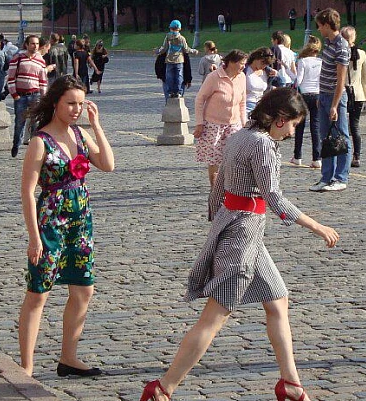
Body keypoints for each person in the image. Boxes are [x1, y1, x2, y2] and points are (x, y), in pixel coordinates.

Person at [140, 87, 339, 401]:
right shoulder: (262, 144)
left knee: (277, 302)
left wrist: (219, 221)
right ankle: (163, 388)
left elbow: (218, 185)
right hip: (244, 235)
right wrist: (316, 226)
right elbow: (273, 196)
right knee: (214, 317)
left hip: (243, 230)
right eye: (293, 125)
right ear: (279, 119)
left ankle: (290, 383)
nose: (292, 132)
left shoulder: (240, 136)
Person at [17, 76, 114, 378]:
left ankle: (68, 358)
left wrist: (96, 125)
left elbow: (108, 164)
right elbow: (27, 192)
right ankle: (25, 367)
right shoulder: (40, 141)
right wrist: (34, 238)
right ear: (56, 102)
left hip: (80, 222)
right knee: (38, 293)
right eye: (71, 103)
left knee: (84, 290)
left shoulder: (80, 134)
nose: (76, 109)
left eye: (81, 104)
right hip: (50, 224)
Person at [312, 8, 352, 193]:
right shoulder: (329, 44)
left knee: (341, 137)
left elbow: (341, 80)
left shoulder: (342, 46)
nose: (318, 29)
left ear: (328, 25)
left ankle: (341, 177)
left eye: (320, 26)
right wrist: (321, 96)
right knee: (325, 138)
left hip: (336, 97)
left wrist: (335, 105)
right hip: (325, 95)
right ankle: (326, 177)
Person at [194, 49, 247, 186]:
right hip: (213, 124)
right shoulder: (214, 77)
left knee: (234, 156)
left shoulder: (241, 77)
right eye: (241, 63)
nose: (243, 67)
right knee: (215, 159)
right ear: (231, 63)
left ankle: (231, 186)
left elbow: (242, 103)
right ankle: (215, 188)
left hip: (234, 124)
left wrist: (244, 124)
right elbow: (200, 99)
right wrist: (199, 123)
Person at [8, 35, 48, 158]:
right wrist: (14, 95)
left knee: (35, 124)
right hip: (21, 96)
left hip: (35, 95)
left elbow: (43, 81)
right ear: (26, 45)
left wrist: (44, 97)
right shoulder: (18, 58)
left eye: (36, 44)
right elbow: (10, 78)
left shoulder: (41, 60)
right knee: (20, 123)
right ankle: (16, 144)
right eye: (32, 44)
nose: (35, 46)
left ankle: (33, 149)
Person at [341, 26, 366, 168]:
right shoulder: (362, 53)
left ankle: (341, 155)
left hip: (341, 93)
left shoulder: (339, 52)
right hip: (358, 93)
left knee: (340, 126)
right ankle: (356, 156)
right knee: (355, 126)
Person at [292, 37, 322, 168]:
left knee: (300, 126)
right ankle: (317, 158)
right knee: (315, 126)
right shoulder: (321, 62)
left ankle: (297, 156)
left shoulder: (303, 61)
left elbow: (299, 80)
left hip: (304, 94)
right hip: (317, 94)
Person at [156, 20, 198, 100]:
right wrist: (193, 51)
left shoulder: (167, 37)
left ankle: (170, 91)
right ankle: (178, 92)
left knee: (169, 76)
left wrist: (158, 51)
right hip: (179, 60)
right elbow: (186, 49)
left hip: (169, 60)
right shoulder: (182, 38)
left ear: (170, 28)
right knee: (179, 76)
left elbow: (164, 49)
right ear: (179, 28)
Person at [244, 47, 276, 117]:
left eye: (266, 65)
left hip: (261, 104)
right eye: (262, 63)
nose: (263, 66)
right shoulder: (245, 69)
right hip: (247, 103)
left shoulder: (267, 72)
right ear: (256, 58)